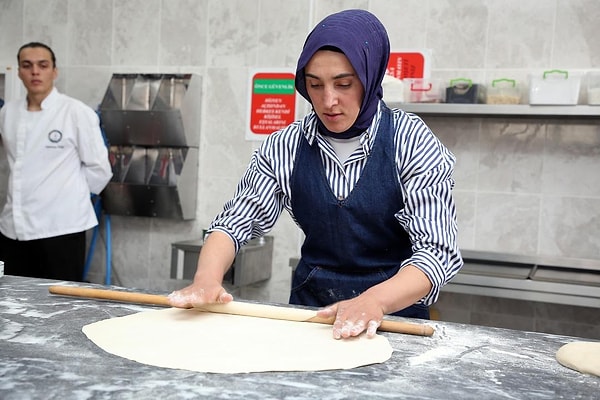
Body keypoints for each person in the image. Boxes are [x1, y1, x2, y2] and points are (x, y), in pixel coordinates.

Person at [168, 9, 463, 339]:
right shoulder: (286, 145)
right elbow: (234, 223)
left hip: (393, 319)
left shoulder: (411, 141)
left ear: (371, 76)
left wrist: (373, 302)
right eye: (315, 85)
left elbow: (437, 253)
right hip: (313, 317)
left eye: (344, 84)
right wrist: (206, 279)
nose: (328, 101)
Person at [0, 42, 112, 282]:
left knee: (59, 306)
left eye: (43, 65)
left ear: (54, 71)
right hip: (13, 229)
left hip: (61, 229)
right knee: (13, 303)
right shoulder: (8, 113)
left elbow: (99, 171)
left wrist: (68, 198)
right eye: (27, 66)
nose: (35, 72)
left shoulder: (75, 112)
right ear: (19, 72)